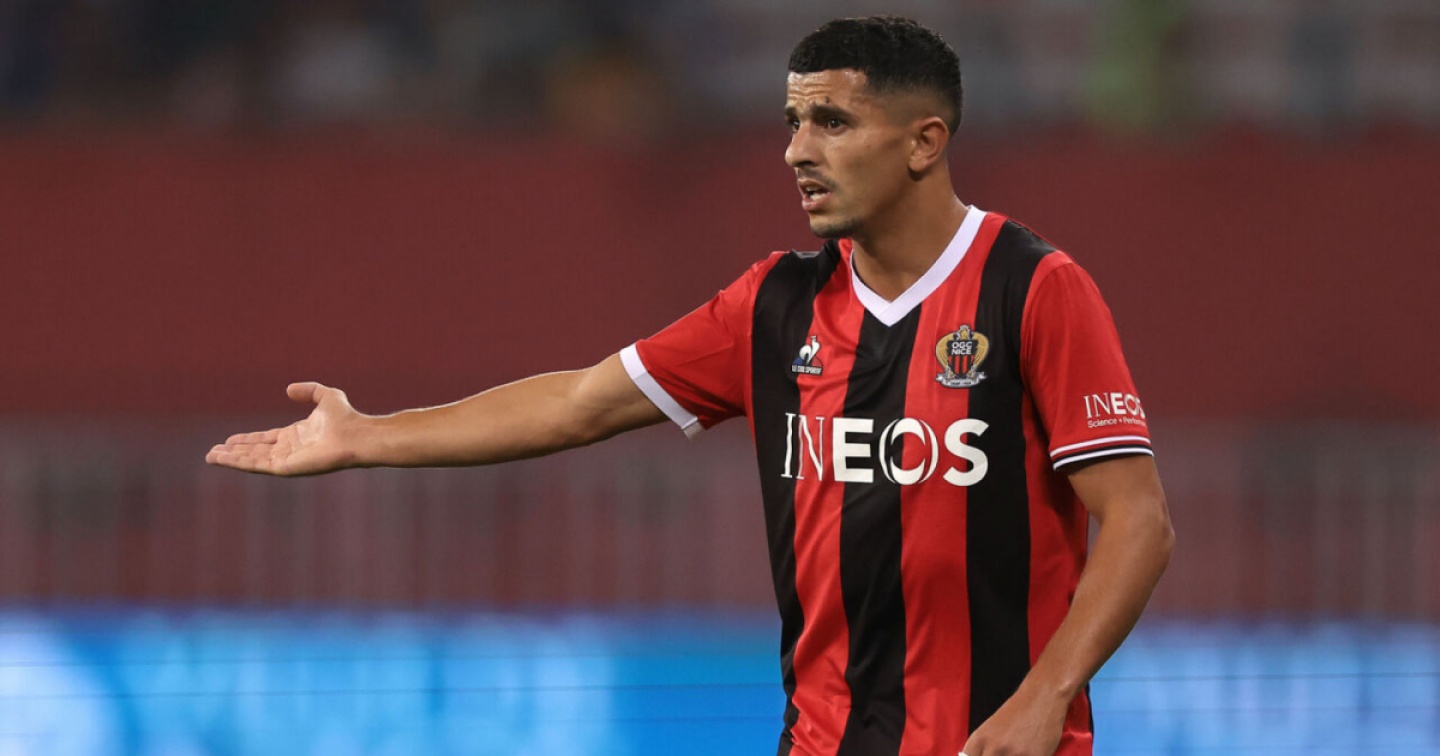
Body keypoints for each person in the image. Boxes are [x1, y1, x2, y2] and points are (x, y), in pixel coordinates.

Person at [207, 15, 1173, 756]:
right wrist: (368, 435)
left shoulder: (1032, 290)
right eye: (792, 122)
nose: (798, 151)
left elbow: (1138, 523)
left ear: (924, 141)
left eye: (833, 122)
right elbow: (580, 402)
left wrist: (1043, 701)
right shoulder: (775, 306)